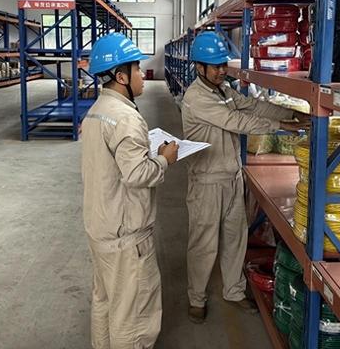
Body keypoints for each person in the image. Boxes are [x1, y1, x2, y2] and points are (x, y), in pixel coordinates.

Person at [181, 31, 310, 324]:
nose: (221, 70)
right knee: (203, 243)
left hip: (231, 175)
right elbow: (236, 121)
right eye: (215, 66)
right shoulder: (195, 98)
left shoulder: (223, 90)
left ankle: (234, 291)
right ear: (199, 67)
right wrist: (281, 125)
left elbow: (252, 106)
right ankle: (197, 298)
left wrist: (290, 113)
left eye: (223, 64)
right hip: (207, 181)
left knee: (235, 237)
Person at [81, 32, 179, 348]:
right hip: (126, 236)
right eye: (137, 69)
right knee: (133, 317)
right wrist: (164, 159)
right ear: (121, 76)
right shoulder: (125, 118)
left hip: (101, 227)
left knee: (106, 301)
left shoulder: (97, 110)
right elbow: (138, 174)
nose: (142, 75)